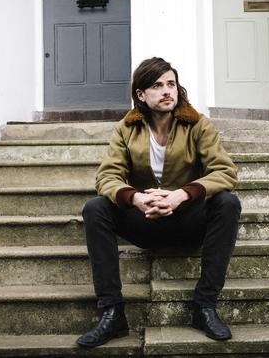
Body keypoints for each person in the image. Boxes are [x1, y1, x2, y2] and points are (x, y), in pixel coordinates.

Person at [76, 57, 241, 348]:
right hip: (146, 221)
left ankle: (204, 307)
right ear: (141, 95)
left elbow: (225, 172)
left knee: (228, 203)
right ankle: (112, 313)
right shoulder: (126, 129)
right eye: (157, 85)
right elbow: (107, 178)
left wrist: (182, 195)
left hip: (188, 221)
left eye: (171, 84)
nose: (167, 91)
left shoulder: (198, 125)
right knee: (95, 208)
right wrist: (137, 199)